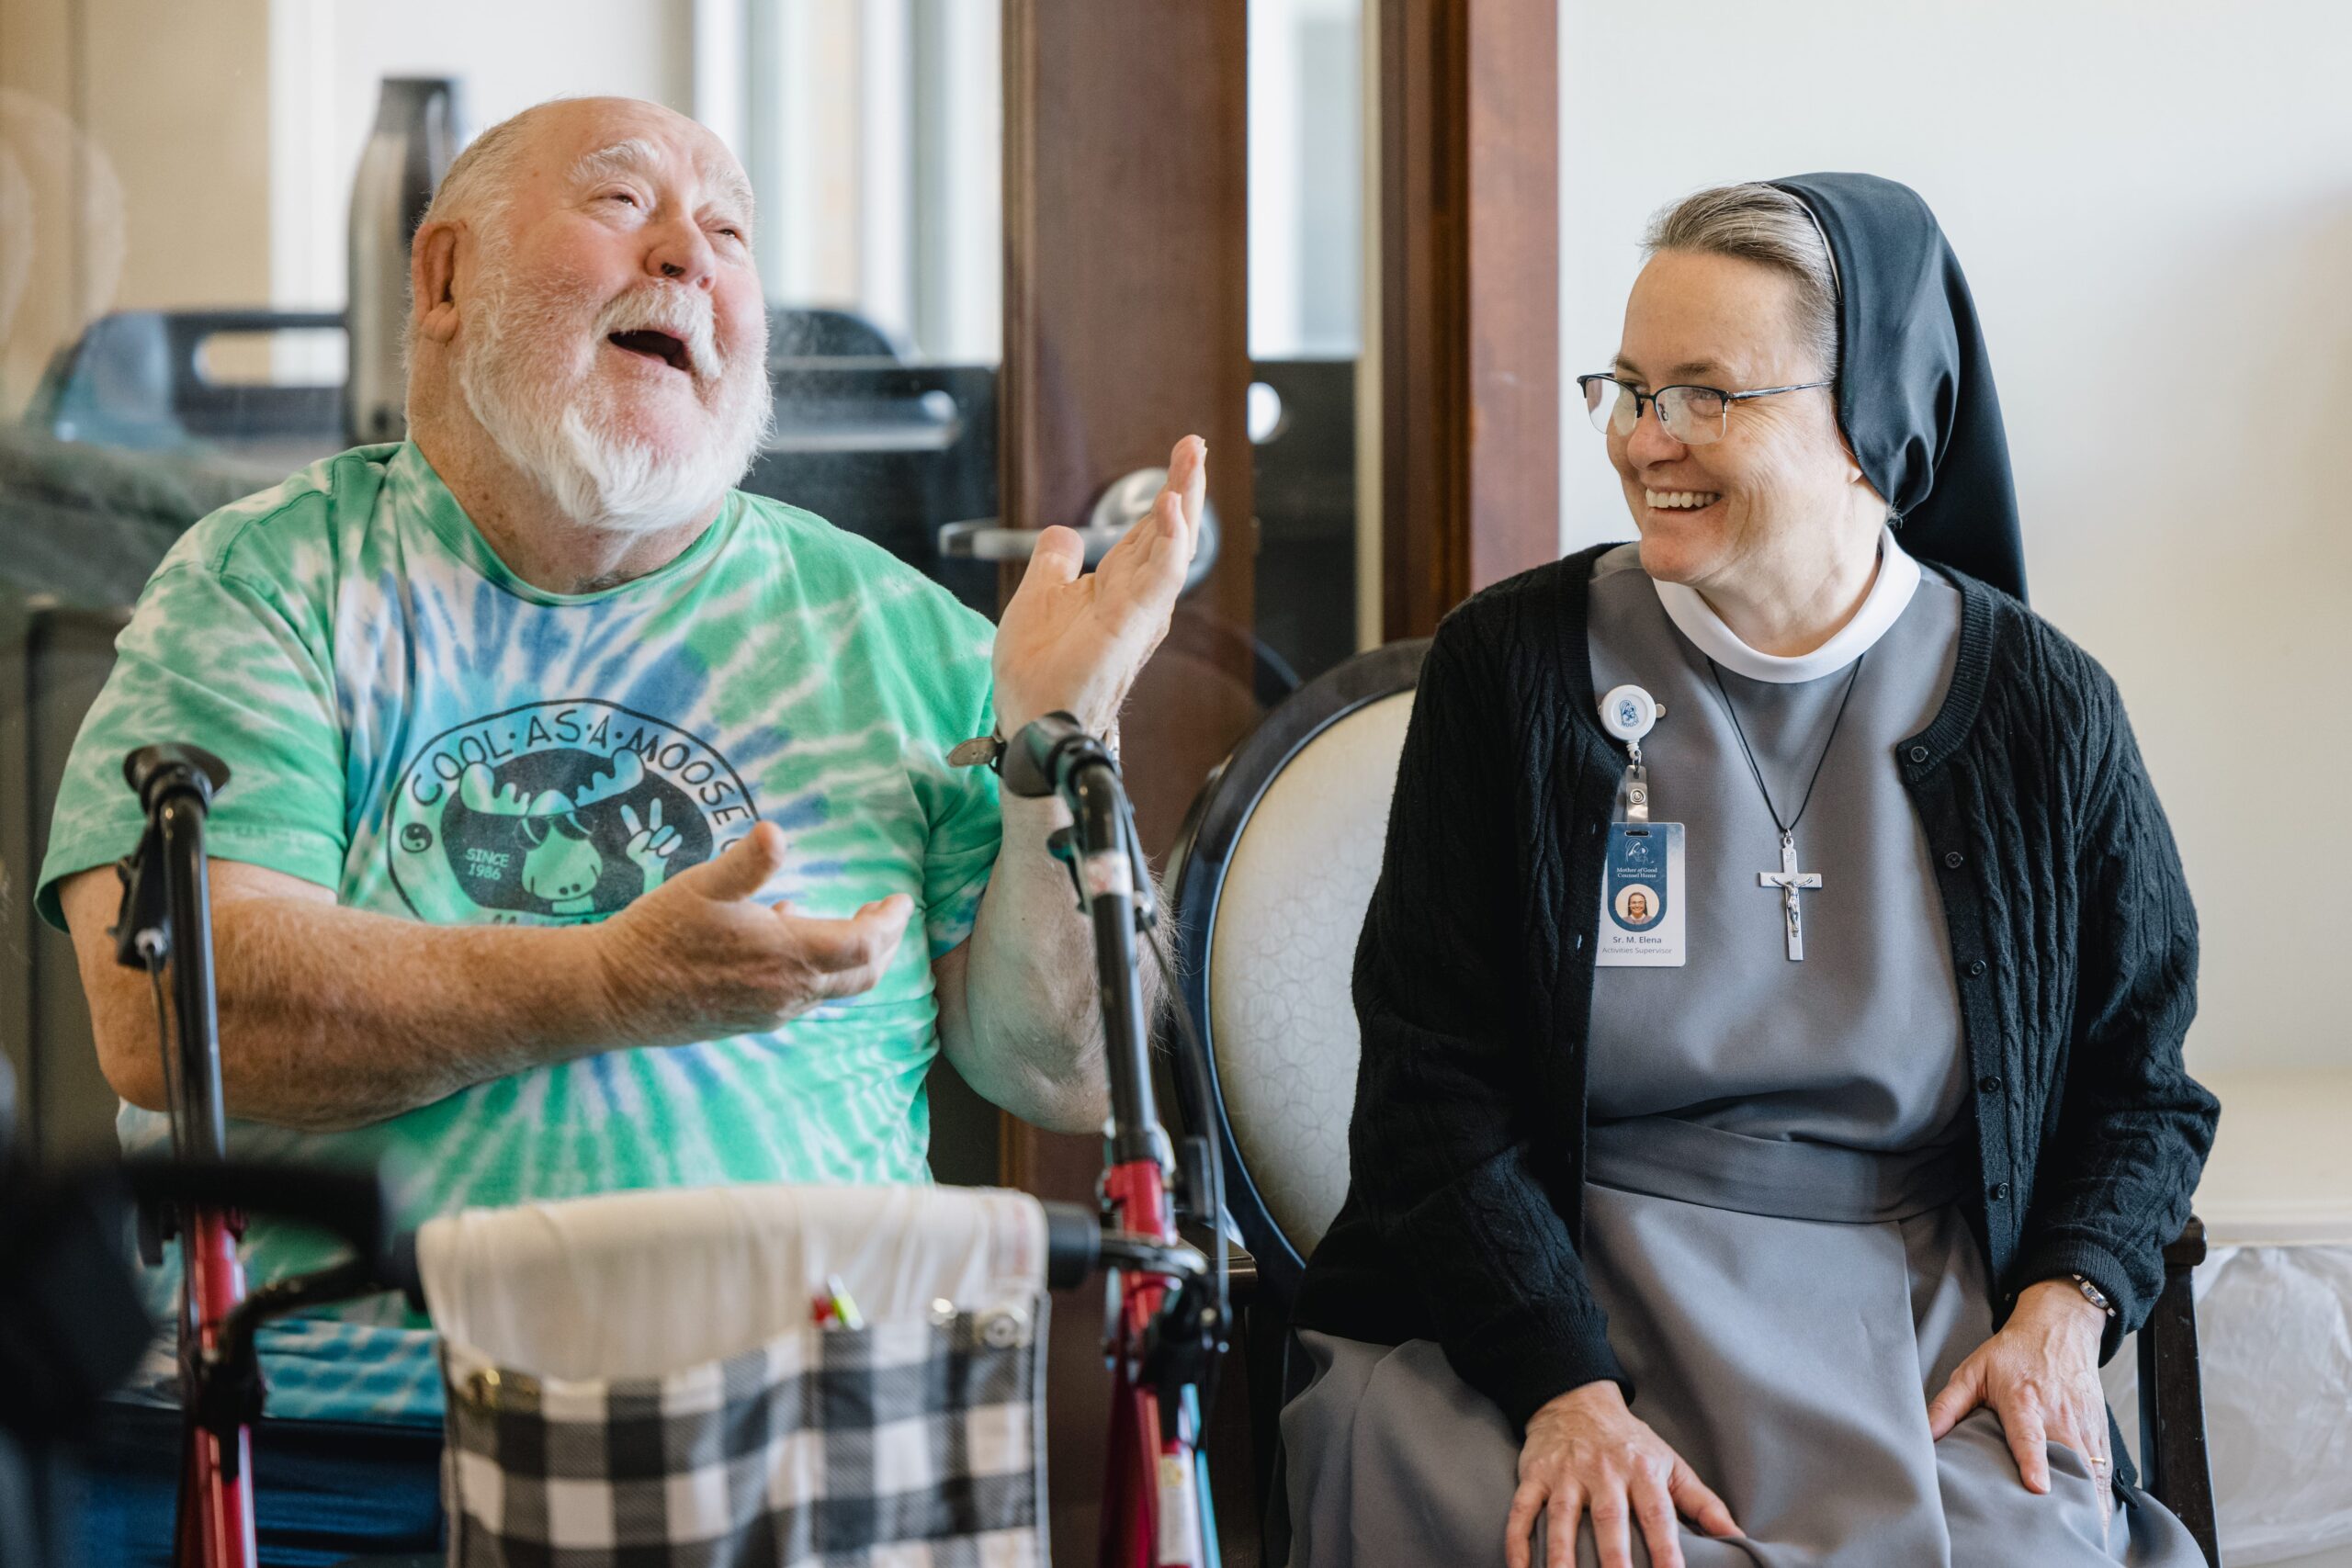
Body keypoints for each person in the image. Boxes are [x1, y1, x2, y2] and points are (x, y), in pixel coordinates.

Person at [37, 96, 1205, 1565]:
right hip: (347, 1430)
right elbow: (172, 1008)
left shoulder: (897, 633)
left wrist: (1057, 745)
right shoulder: (270, 588)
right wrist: (611, 986)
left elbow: (1067, 1070)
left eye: (729, 233)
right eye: (621, 203)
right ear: (445, 280)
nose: (689, 258)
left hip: (803, 1421)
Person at [1282, 175, 2217, 1568]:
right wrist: (1565, 1391)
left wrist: (2064, 1306)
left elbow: (2141, 1082)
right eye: (1629, 386)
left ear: (1870, 424)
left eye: (1705, 396)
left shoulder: (2038, 706)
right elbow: (1433, 1093)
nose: (1641, 439)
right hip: (1547, 1308)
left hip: (1915, 1329)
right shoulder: (1516, 671)